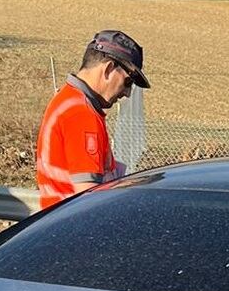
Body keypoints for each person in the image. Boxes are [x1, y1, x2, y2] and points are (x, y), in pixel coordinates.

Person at [35, 29, 150, 209]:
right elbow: (89, 200)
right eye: (128, 82)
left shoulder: (67, 100)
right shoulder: (82, 114)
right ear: (108, 69)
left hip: (58, 221)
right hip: (72, 226)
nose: (127, 93)